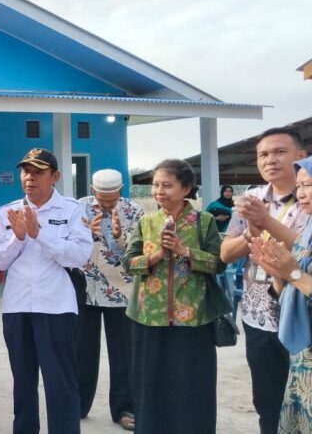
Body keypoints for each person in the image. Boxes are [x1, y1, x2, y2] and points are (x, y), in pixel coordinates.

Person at [0, 148, 92, 434]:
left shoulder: (71, 210)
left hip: (56, 307)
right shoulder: (7, 212)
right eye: (26, 171)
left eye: (38, 172)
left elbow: (79, 256)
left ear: (55, 176)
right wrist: (18, 238)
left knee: (60, 382)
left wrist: (39, 235)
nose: (29, 178)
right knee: (23, 382)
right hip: (17, 306)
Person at [123, 159, 226, 434]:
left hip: (194, 319)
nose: (159, 191)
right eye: (156, 185)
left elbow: (219, 263)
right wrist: (156, 255)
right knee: (150, 385)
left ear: (187, 188)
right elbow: (128, 262)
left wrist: (184, 251)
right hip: (148, 317)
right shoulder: (146, 222)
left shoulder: (204, 222)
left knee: (192, 385)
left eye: (167, 185)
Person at [220, 127, 309, 434]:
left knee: (305, 400)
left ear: (301, 156)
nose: (270, 160)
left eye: (280, 152)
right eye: (263, 154)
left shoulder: (308, 197)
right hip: (259, 316)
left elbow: (305, 248)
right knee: (267, 400)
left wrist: (267, 221)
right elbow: (225, 254)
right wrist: (250, 233)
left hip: (301, 316)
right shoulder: (251, 199)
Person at [247, 156, 312, 433]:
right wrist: (277, 273)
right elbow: (289, 291)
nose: (302, 193)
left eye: (309, 185)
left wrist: (293, 274)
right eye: (300, 186)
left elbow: (299, 279)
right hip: (303, 356)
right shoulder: (307, 232)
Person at [76, 169, 144, 431]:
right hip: (85, 290)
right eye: (102, 199)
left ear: (121, 190)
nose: (106, 204)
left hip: (121, 292)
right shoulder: (78, 208)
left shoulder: (134, 211)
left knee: (124, 354)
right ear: (93, 190)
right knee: (82, 351)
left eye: (111, 199)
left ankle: (125, 409)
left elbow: (140, 251)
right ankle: (78, 405)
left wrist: (119, 236)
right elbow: (68, 244)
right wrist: (86, 234)